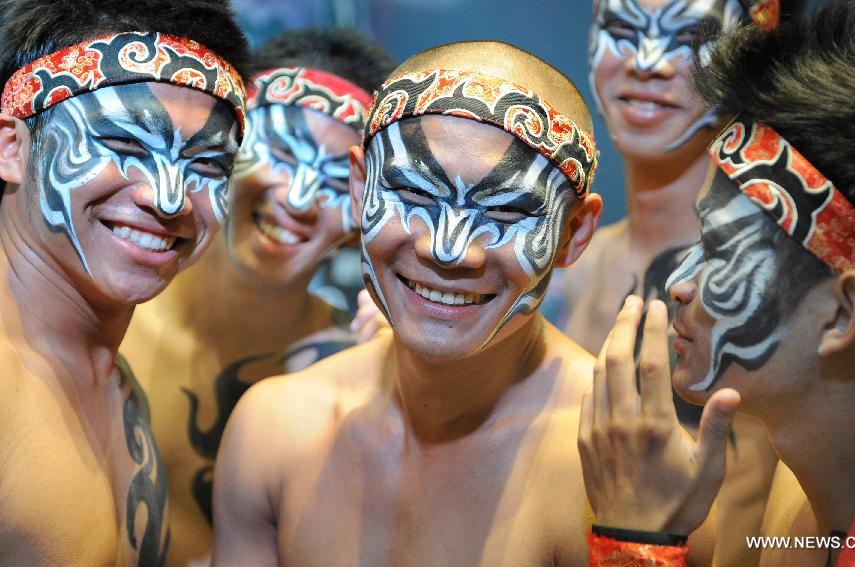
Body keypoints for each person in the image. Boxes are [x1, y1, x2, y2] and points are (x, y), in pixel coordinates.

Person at [211, 40, 628, 566]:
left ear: (573, 233)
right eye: (412, 195)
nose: (447, 250)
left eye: (504, 213)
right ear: (361, 187)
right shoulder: (275, 429)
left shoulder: (620, 469)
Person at [579, 1, 855, 565]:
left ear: (843, 313)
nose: (677, 283)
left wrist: (636, 543)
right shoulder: (800, 509)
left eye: (720, 250)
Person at [119, 28, 395, 567]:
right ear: (224, 146)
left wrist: (402, 389)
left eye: (338, 180)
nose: (298, 200)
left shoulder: (356, 368)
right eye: (281, 153)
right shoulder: (108, 318)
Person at [0, 0, 249, 565]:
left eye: (207, 165)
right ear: (11, 147)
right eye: (125, 145)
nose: (168, 198)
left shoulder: (114, 384)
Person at [565, 1, 784, 563]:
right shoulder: (562, 269)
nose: (648, 61)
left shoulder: (778, 289)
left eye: (692, 35)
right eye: (622, 29)